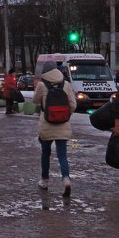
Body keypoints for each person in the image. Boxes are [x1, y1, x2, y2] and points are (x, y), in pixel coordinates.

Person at [32, 60, 76, 196]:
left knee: (46, 153)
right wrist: (64, 114)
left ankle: (45, 180)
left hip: (47, 124)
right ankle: (66, 179)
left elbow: (35, 101)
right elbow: (73, 105)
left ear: (44, 71)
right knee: (62, 154)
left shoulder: (41, 84)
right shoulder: (66, 84)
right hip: (63, 124)